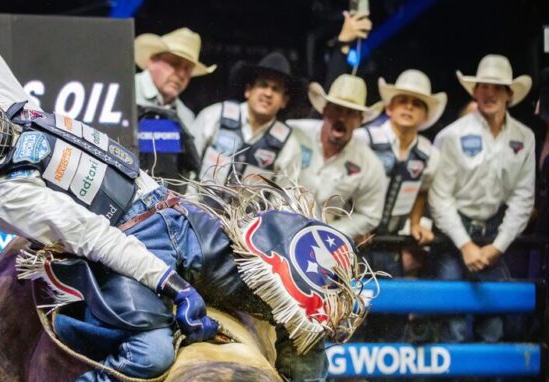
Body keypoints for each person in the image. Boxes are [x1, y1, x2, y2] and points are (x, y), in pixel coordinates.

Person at [0, 11, 371, 382]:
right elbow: (93, 236)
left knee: (297, 295)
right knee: (150, 353)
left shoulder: (8, 101)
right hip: (121, 246)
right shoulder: (0, 194)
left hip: (172, 210)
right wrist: (170, 284)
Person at [429, 54, 534, 283]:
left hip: (494, 232)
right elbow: (439, 197)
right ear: (475, 92)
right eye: (484, 86)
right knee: (453, 315)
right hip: (452, 233)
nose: (490, 93)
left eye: (497, 87)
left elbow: (523, 198)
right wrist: (465, 244)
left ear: (509, 95)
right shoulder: (451, 135)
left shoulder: (525, 137)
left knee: (495, 318)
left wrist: (498, 246)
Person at [354, 69, 447, 276]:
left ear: (425, 116)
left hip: (391, 243)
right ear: (389, 108)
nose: (408, 107)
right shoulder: (363, 139)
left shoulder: (429, 154)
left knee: (392, 305)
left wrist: (415, 223)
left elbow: (422, 190)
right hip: (354, 240)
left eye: (416, 104)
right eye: (402, 100)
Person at [289, 74, 386, 242]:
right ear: (324, 111)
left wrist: (331, 233)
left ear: (360, 120)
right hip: (277, 227)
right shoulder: (293, 134)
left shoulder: (369, 164)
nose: (341, 118)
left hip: (323, 242)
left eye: (350, 113)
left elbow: (370, 214)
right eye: (337, 109)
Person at [192, 51, 302, 188]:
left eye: (276, 89)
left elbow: (283, 199)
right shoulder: (213, 116)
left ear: (284, 101)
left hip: (252, 209)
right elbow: (188, 168)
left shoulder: (289, 146)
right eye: (263, 85)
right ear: (248, 90)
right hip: (196, 207)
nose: (268, 93)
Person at [134, 28, 215, 180]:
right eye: (175, 63)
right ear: (151, 60)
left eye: (187, 69)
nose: (181, 74)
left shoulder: (185, 116)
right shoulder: (124, 90)